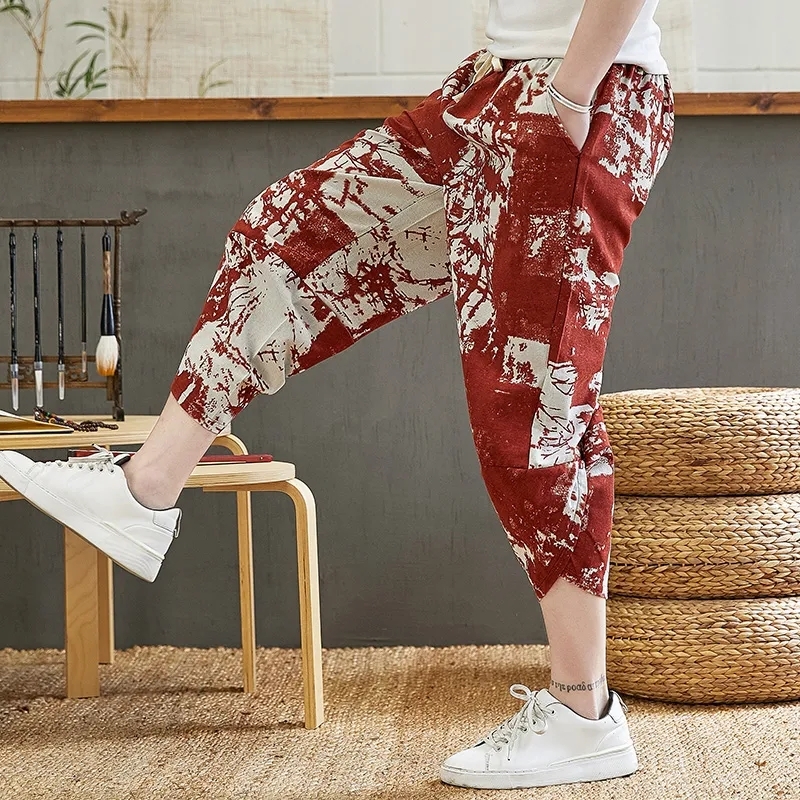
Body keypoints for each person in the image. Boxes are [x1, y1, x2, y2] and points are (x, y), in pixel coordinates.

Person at [0, 0, 674, 790]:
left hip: (587, 91)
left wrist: (569, 92)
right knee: (281, 237)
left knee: (532, 405)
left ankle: (582, 711)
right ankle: (144, 491)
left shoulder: (578, 91)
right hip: (495, 84)